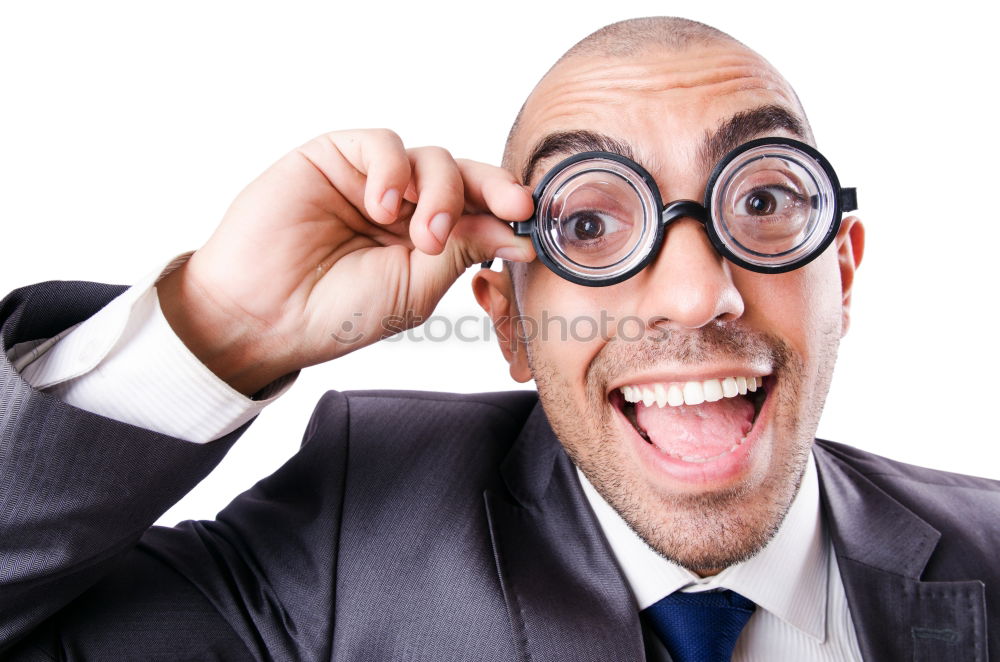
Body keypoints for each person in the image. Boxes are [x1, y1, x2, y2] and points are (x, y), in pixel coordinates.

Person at [1, 15, 997, 662]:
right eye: (590, 223)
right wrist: (221, 324)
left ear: (845, 267)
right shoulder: (352, 540)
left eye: (765, 199)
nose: (697, 296)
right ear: (513, 325)